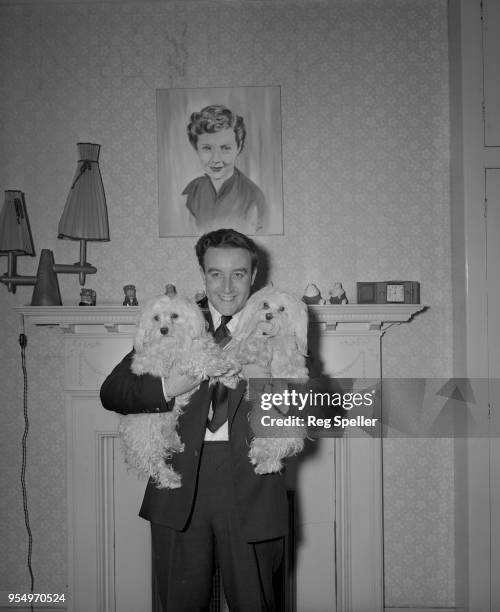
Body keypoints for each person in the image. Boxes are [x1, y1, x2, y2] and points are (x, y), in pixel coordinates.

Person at [100, 228, 287, 611]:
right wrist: (169, 386)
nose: (228, 286)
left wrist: (267, 382)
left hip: (253, 490)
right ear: (203, 276)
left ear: (254, 276)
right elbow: (112, 392)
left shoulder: (279, 321)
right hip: (179, 487)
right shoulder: (172, 321)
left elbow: (311, 407)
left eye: (239, 273)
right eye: (216, 273)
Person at [183, 105, 266, 234]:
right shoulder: (193, 191)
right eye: (207, 148)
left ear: (238, 148)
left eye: (225, 148)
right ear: (196, 149)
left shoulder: (253, 196)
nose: (216, 159)